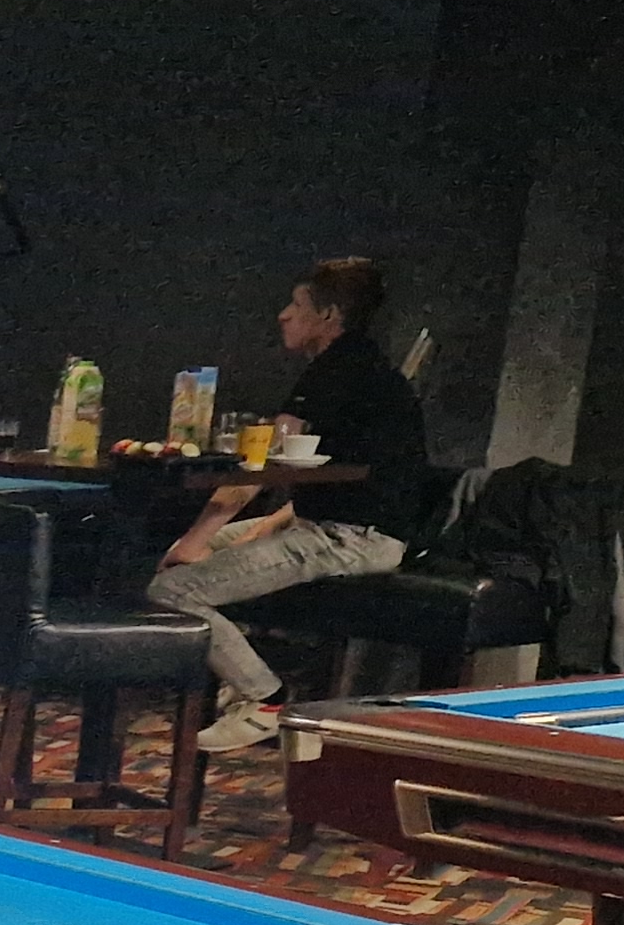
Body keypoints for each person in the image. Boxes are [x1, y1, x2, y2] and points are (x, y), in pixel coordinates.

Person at [147, 257, 431, 754]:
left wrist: (195, 541)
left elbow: (259, 468)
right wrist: (261, 527)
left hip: (351, 538)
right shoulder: (358, 368)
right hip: (329, 524)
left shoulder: (337, 373)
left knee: (173, 587)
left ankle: (264, 700)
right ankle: (239, 680)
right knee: (193, 558)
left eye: (296, 306)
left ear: (329, 315)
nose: (283, 315)